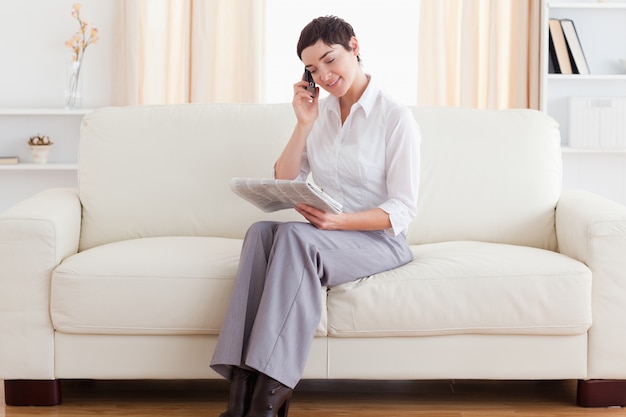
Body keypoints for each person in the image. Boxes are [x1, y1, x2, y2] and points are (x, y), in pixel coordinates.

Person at [211, 15, 421, 417]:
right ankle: (238, 399)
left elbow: (403, 209)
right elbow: (286, 177)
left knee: (293, 237)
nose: (323, 75)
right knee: (260, 232)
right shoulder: (319, 115)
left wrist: (338, 222)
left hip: (380, 241)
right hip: (328, 238)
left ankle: (267, 402)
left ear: (354, 47)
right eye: (312, 69)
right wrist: (303, 124)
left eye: (330, 60)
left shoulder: (395, 117)